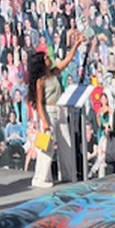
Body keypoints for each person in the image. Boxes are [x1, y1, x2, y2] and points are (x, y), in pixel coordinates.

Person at [27, 31, 85, 188]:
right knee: (46, 147)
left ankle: (68, 174)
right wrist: (44, 122)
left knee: (66, 143)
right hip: (48, 113)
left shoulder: (53, 73)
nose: (49, 59)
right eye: (46, 58)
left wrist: (76, 45)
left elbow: (67, 60)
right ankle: (40, 177)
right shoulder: (40, 81)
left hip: (60, 111)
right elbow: (39, 103)